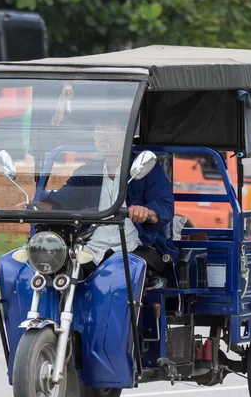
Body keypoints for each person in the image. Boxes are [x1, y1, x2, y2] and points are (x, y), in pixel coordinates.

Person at [34, 115, 178, 284]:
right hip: (91, 249)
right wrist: (34, 206)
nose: (104, 136)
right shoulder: (88, 173)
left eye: (110, 130)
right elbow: (61, 201)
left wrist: (147, 212)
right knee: (53, 269)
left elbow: (165, 206)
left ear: (127, 134)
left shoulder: (147, 170)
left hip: (137, 248)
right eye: (98, 131)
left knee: (123, 276)